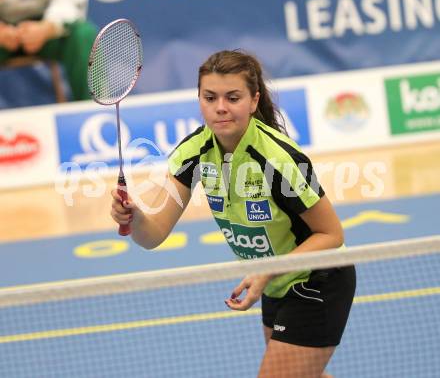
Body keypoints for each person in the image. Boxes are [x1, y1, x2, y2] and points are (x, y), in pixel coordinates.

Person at [111, 50, 356, 378]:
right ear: (199, 99)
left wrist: (267, 271)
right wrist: (134, 216)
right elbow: (153, 235)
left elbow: (332, 234)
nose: (220, 107)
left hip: (317, 281)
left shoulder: (279, 159)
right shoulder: (193, 153)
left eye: (233, 97)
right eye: (210, 97)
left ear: (254, 101)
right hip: (274, 282)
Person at [0, 0, 97, 101]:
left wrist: (47, 28)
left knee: (83, 35)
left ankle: (94, 113)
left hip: (47, 21)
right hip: (4, 25)